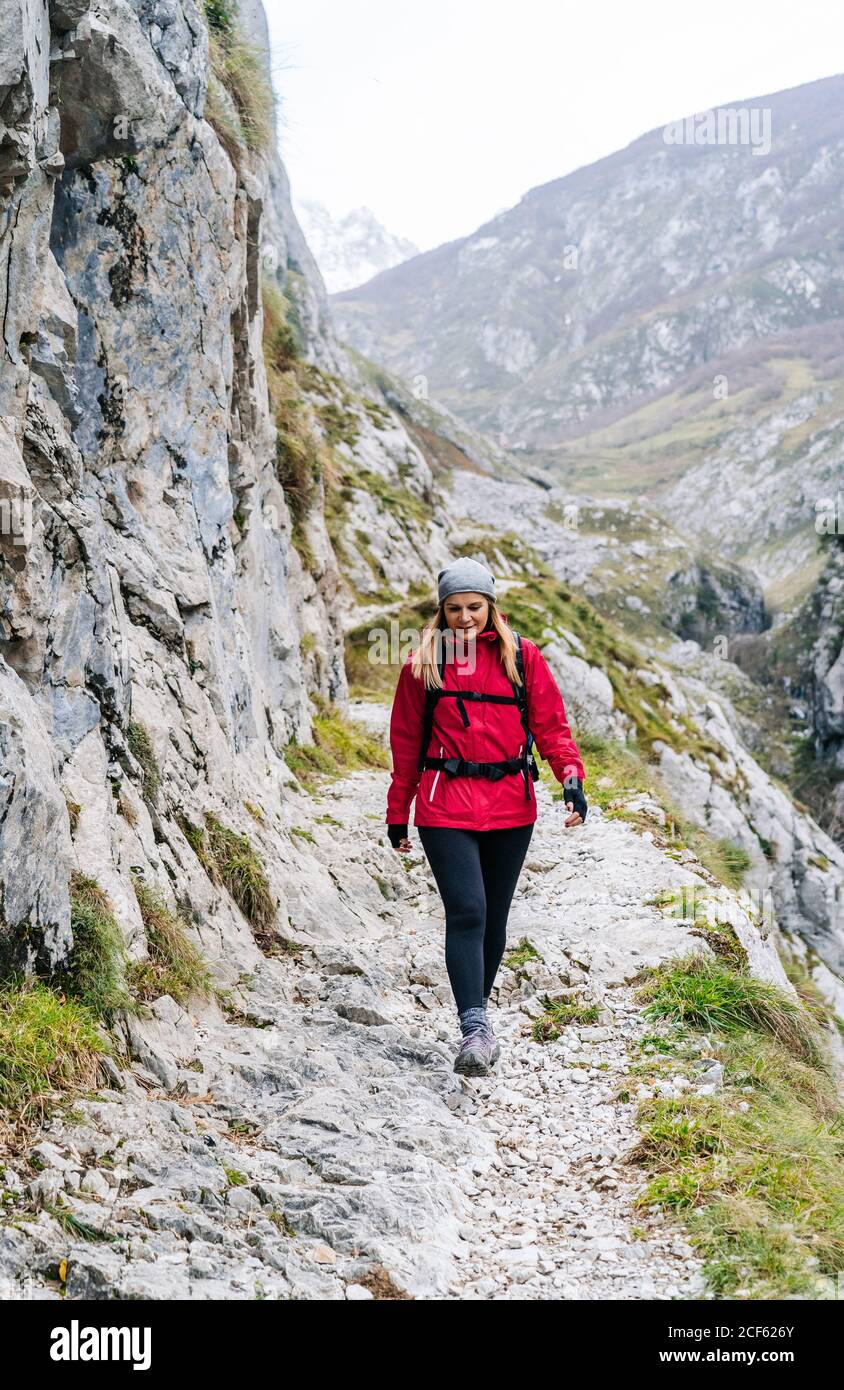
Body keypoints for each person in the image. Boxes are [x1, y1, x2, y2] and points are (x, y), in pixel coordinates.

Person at [385, 557, 587, 1076]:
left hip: (511, 806)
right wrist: (398, 809)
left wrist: (570, 778)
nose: (465, 618)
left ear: (490, 606)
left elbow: (551, 726)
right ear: (442, 610)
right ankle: (474, 1029)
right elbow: (406, 743)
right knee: (468, 910)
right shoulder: (422, 664)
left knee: (495, 917)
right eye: (454, 609)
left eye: (474, 607)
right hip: (442, 803)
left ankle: (479, 1012)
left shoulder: (523, 657)